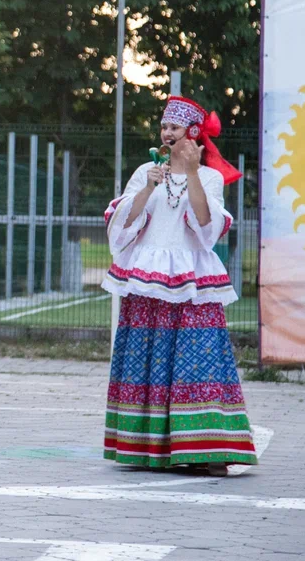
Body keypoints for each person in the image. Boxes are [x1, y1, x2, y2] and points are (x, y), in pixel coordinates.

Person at [103, 95, 257, 477]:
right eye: (163, 127)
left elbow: (207, 230)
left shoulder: (209, 177)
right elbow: (121, 230)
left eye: (173, 128)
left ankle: (208, 448)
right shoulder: (145, 172)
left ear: (192, 133)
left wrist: (190, 173)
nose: (166, 134)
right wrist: (146, 188)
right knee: (147, 359)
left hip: (192, 282)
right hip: (148, 281)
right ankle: (147, 446)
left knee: (199, 360)